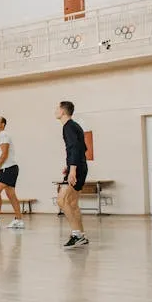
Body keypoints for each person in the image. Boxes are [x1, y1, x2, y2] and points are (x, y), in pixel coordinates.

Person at [56, 101, 88, 248]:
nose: (55, 111)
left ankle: (76, 235)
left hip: (77, 168)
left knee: (62, 201)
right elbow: (83, 148)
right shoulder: (75, 126)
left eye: (57, 108)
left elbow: (74, 147)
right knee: (73, 203)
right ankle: (81, 235)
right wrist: (70, 166)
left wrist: (73, 169)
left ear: (63, 111)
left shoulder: (68, 127)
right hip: (80, 166)